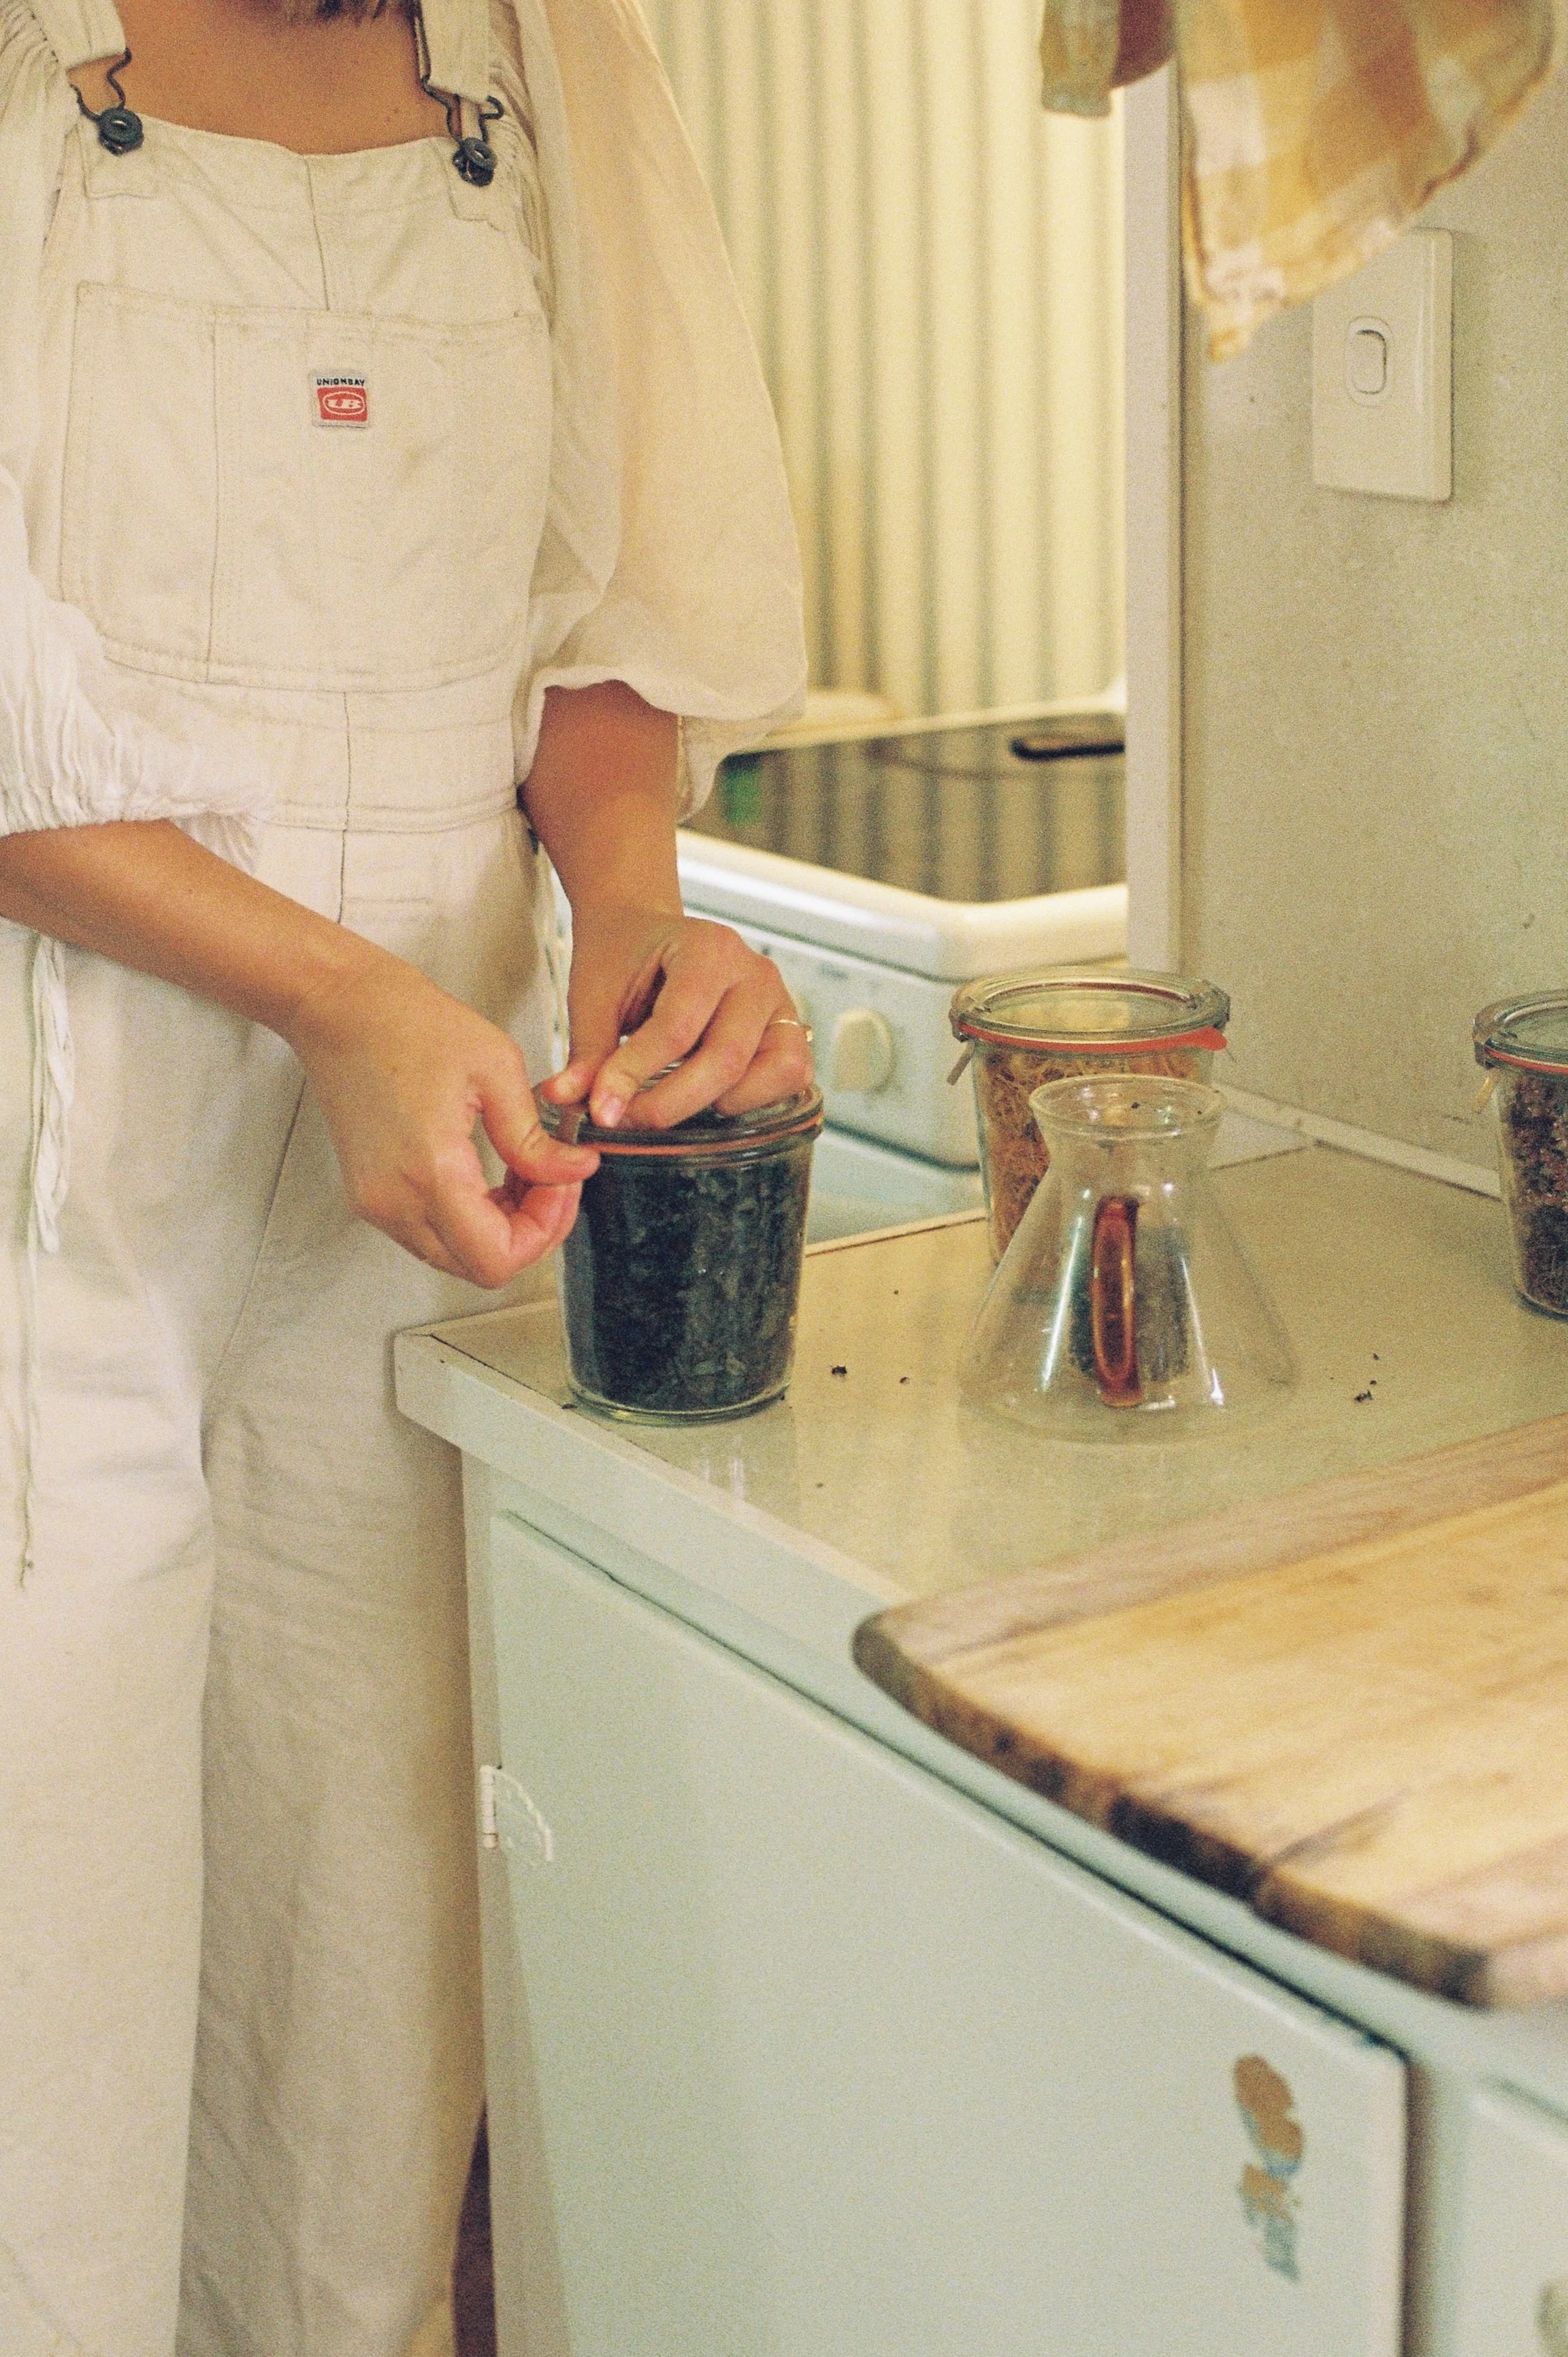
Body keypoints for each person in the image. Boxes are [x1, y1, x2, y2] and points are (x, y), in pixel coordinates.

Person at [0, 0, 808, 2347]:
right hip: (56, 1184)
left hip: (420, 1200)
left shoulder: (547, 57)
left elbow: (618, 595)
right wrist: (333, 996)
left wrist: (638, 912)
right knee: (41, 2031)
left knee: (353, 2038)